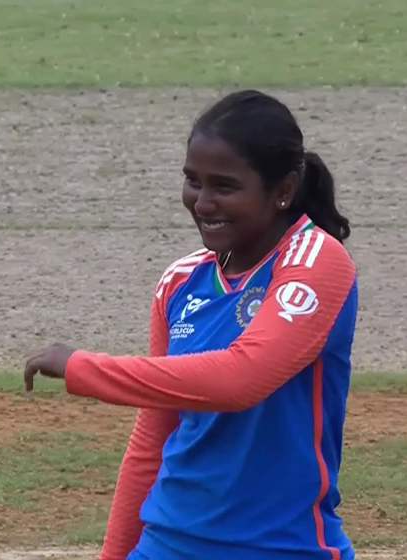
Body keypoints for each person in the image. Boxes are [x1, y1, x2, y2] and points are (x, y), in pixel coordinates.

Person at [24, 90, 358, 560]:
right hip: (164, 543)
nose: (202, 203)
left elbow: (242, 379)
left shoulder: (317, 261)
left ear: (283, 190)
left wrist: (84, 368)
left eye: (224, 186)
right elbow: (152, 441)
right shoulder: (181, 282)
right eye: (192, 181)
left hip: (280, 548)